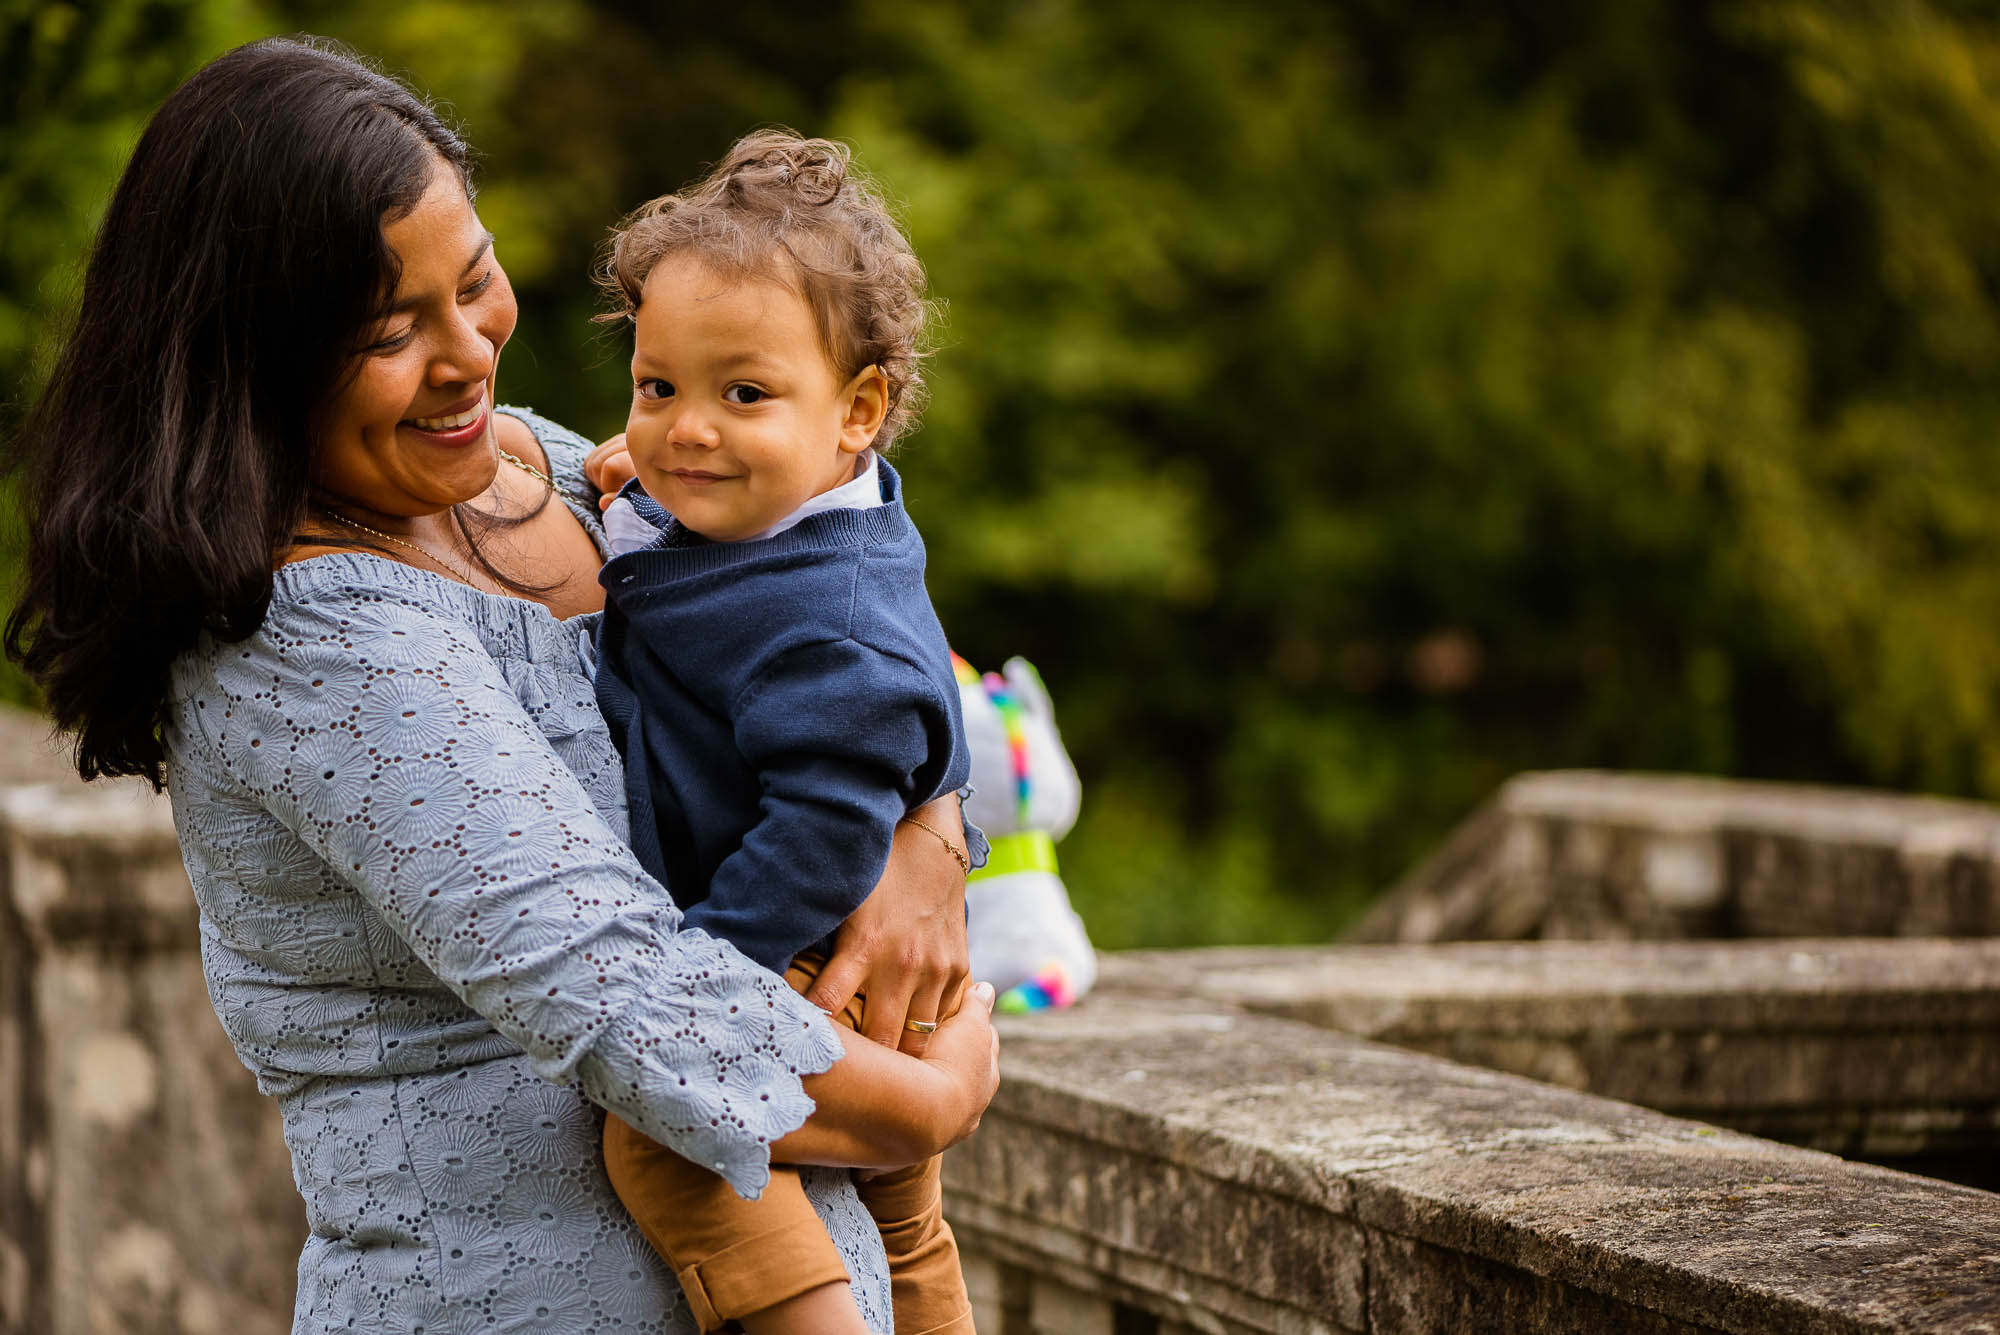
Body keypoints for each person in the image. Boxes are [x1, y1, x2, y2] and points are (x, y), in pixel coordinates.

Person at [3, 37, 998, 1335]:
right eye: (388, 330)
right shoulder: (299, 632)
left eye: (474, 280)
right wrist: (938, 1100)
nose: (468, 353)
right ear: (253, 361)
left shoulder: (554, 465)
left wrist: (930, 833)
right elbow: (619, 990)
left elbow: (856, 610)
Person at [587, 134, 974, 1335]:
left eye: (741, 395)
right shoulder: (779, 519)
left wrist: (708, 976)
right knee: (904, 1213)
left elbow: (821, 828)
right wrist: (639, 486)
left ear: (858, 410)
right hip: (831, 952)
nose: (687, 430)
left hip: (799, 942)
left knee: (662, 1144)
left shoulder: (829, 627)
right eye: (659, 389)